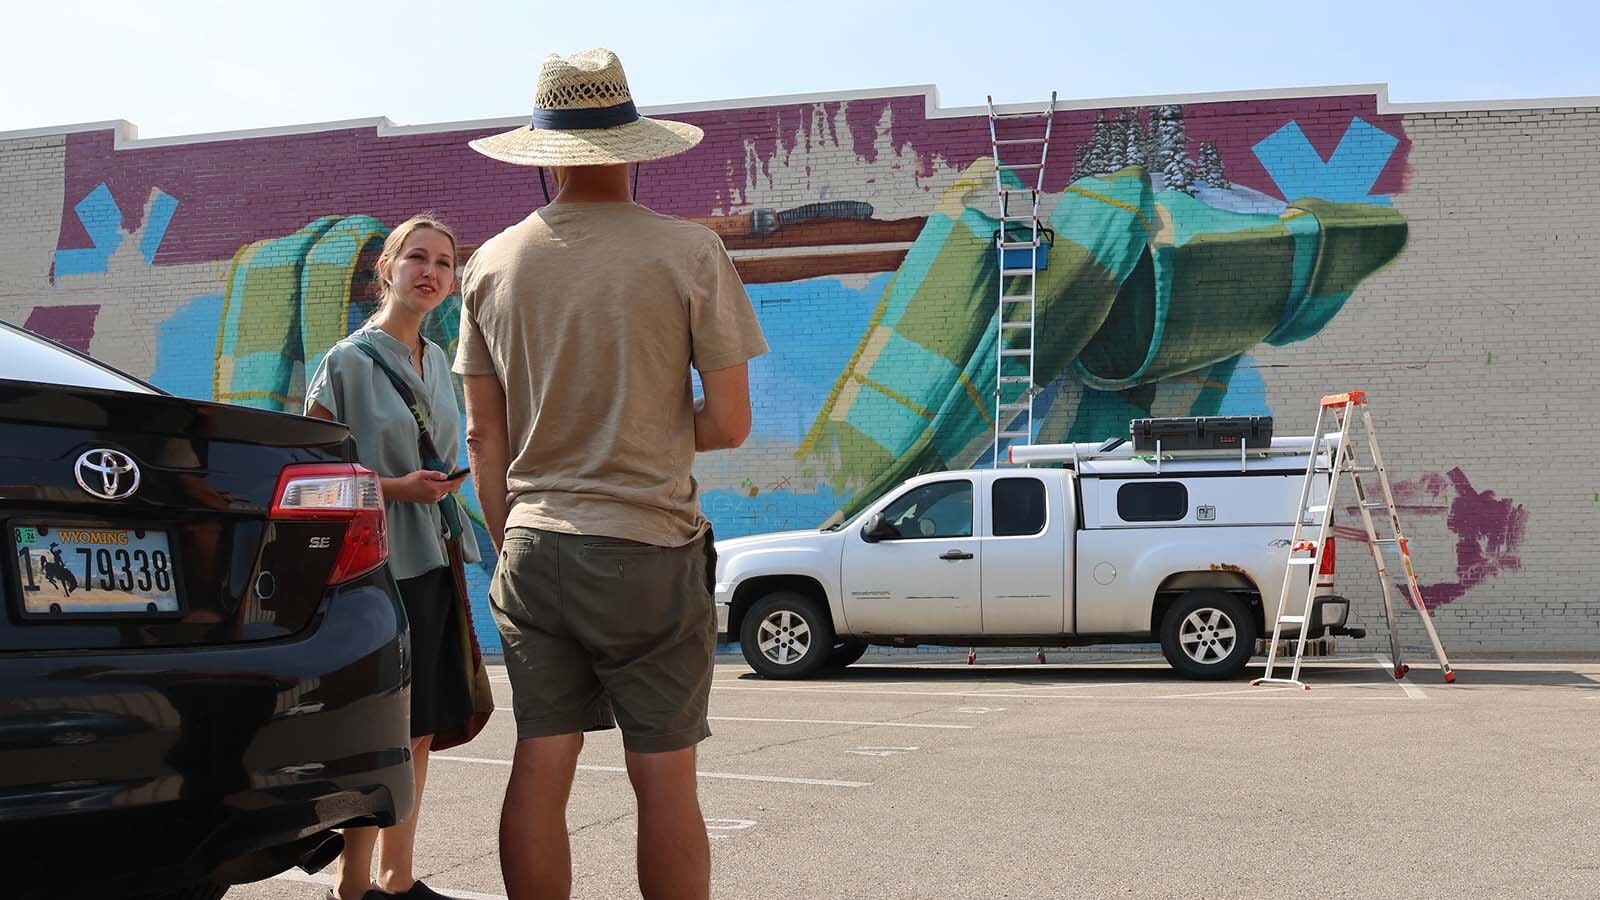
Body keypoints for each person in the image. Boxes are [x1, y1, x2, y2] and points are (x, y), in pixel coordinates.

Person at [454, 48, 768, 900]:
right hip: (647, 547)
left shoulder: (490, 264)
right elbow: (731, 423)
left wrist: (507, 538)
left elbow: (485, 435)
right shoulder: (689, 252)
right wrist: (651, 434)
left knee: (541, 759)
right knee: (663, 777)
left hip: (532, 544)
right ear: (631, 146)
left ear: (546, 154)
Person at [305, 214, 491, 900]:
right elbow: (310, 472)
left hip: (435, 559)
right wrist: (395, 488)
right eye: (417, 257)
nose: (431, 272)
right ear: (388, 267)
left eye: (444, 262)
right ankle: (352, 886)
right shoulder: (346, 362)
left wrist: (442, 484)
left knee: (419, 728)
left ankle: (396, 879)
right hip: (374, 571)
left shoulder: (439, 361)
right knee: (377, 732)